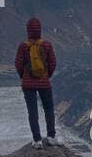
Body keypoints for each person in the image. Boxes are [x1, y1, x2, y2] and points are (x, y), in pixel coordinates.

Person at [15, 16, 60, 149]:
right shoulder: (47, 45)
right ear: (40, 30)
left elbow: (18, 63)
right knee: (48, 109)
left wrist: (23, 76)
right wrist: (47, 75)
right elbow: (53, 63)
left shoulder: (23, 46)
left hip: (28, 84)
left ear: (28, 30)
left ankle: (37, 140)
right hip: (44, 83)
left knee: (32, 112)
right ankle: (51, 137)